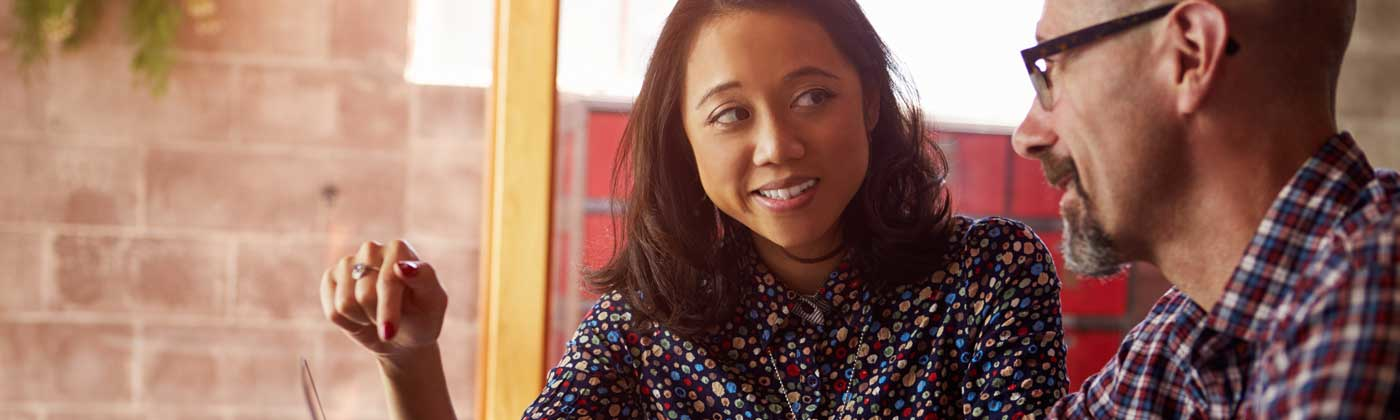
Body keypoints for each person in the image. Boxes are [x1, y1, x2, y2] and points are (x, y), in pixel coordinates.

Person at [319, 0, 1070, 419]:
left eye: (813, 97)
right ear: (684, 141)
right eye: (730, 115)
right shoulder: (645, 322)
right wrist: (408, 356)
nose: (777, 146)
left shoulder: (991, 277)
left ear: (871, 100)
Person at [1013, 0, 1399, 417]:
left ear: (1190, 53)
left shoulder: (1371, 299)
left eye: (1051, 66)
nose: (1026, 136)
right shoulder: (1186, 329)